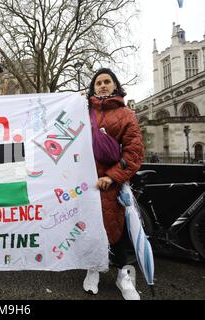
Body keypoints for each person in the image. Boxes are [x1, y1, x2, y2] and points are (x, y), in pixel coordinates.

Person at [83, 68, 144, 300]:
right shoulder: (83, 112)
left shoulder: (127, 115)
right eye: (98, 82)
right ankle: (93, 269)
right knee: (89, 229)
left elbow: (134, 152)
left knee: (116, 230)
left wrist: (111, 176)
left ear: (115, 86)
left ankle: (122, 275)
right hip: (86, 182)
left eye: (107, 81)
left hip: (111, 183)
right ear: (93, 87)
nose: (102, 85)